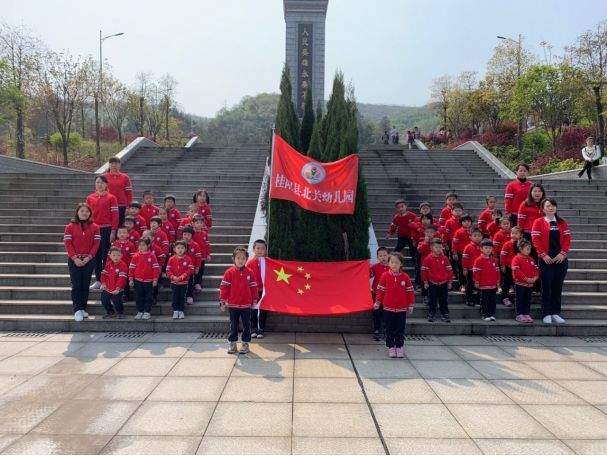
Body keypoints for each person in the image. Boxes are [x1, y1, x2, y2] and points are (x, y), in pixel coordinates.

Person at [531, 198, 572, 324]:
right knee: (547, 286)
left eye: (553, 205)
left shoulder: (562, 222)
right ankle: (546, 313)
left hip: (560, 259)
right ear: (543, 208)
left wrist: (563, 254)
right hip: (546, 260)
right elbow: (536, 240)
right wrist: (543, 255)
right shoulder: (538, 222)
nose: (551, 208)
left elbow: (567, 239)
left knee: (557, 286)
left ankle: (555, 312)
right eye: (548, 206)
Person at [374, 252, 415, 358]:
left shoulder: (405, 277)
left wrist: (411, 304)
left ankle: (399, 346)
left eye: (396, 262)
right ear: (388, 264)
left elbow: (410, 291)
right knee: (389, 328)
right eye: (392, 262)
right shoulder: (385, 276)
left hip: (401, 309)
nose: (394, 265)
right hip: (388, 308)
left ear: (401, 264)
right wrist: (378, 302)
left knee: (400, 328)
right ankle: (391, 347)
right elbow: (380, 290)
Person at [63, 203, 100, 321]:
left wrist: (88, 258)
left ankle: (83, 308)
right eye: (82, 211)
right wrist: (75, 258)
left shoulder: (95, 227)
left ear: (90, 213)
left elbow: (96, 244)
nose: (84, 213)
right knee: (76, 284)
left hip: (88, 260)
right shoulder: (70, 226)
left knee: (85, 284)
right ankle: (77, 309)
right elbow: (68, 244)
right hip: (74, 260)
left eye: (87, 211)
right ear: (77, 212)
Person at [219, 246, 258, 355]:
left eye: (243, 258)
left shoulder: (250, 272)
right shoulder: (229, 272)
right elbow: (224, 288)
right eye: (238, 258)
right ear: (233, 259)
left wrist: (254, 300)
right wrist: (222, 301)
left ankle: (245, 343)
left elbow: (253, 287)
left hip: (246, 305)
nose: (240, 261)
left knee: (247, 325)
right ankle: (232, 343)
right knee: (233, 325)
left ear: (246, 259)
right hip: (233, 305)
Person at [87, 175, 119, 290]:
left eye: (101, 182)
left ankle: (106, 280)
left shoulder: (111, 198)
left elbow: (115, 216)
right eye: (97, 182)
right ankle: (98, 280)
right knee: (95, 255)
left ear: (106, 184)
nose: (99, 185)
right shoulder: (90, 198)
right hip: (93, 229)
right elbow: (87, 215)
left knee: (106, 255)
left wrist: (113, 231)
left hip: (107, 229)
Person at [422, 238, 453, 323]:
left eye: (440, 247)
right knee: (432, 299)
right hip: (432, 283)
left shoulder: (445, 259)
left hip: (443, 283)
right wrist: (425, 281)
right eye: (436, 247)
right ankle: (431, 313)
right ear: (431, 248)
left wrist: (450, 281)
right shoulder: (428, 259)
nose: (438, 249)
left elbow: (449, 270)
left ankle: (445, 314)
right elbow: (424, 271)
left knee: (444, 299)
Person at [128, 237, 160, 320]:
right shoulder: (135, 256)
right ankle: (140, 311)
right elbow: (131, 268)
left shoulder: (152, 255)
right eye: (140, 245)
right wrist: (131, 279)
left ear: (148, 245)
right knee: (138, 296)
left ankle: (147, 311)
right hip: (138, 280)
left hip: (149, 281)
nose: (141, 247)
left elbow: (156, 268)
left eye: (143, 245)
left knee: (148, 296)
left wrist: (155, 279)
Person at [511, 239, 539, 323]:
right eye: (527, 248)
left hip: (529, 285)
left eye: (530, 249)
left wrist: (535, 278)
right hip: (520, 284)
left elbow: (536, 269)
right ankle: (519, 314)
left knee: (527, 300)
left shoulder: (531, 259)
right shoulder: (516, 258)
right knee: (520, 299)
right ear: (520, 248)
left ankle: (526, 313)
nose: (529, 251)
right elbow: (517, 271)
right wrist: (526, 279)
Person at [473, 239, 500, 321]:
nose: (488, 250)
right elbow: (476, 272)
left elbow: (497, 272)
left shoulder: (494, 260)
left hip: (492, 285)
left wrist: (498, 281)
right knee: (484, 300)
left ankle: (491, 314)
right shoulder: (478, 260)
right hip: (483, 285)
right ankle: (484, 314)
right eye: (486, 248)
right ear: (481, 249)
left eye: (490, 248)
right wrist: (477, 281)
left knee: (492, 301)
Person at [166, 240, 195, 319]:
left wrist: (183, 276)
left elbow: (191, 269)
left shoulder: (188, 259)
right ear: (174, 249)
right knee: (175, 296)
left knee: (182, 297)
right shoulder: (171, 259)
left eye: (182, 248)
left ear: (185, 249)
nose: (180, 250)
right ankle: (175, 310)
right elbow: (168, 270)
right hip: (174, 282)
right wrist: (173, 277)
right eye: (178, 248)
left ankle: (181, 310)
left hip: (184, 282)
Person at [247, 239, 268, 339]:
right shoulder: (250, 263)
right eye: (258, 248)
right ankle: (253, 328)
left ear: (266, 251)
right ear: (254, 249)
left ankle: (261, 329)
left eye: (263, 248)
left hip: (264, 291)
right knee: (253, 310)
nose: (260, 250)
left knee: (263, 310)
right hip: (253, 291)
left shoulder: (268, 263)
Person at [104, 157, 133, 227]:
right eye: (112, 163)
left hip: (121, 206)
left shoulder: (125, 177)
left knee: (120, 226)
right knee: (109, 225)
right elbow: (99, 191)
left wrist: (128, 207)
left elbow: (129, 194)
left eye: (116, 163)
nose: (114, 165)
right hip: (107, 205)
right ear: (109, 165)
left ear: (119, 165)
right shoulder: (104, 177)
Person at [100, 246, 128, 319]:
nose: (116, 257)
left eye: (118, 255)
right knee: (104, 300)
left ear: (121, 256)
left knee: (117, 301)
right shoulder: (108, 264)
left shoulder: (123, 265)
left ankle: (120, 312)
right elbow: (103, 274)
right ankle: (110, 312)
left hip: (118, 288)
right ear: (110, 256)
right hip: (108, 287)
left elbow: (122, 278)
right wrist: (103, 283)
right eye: (114, 255)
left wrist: (118, 288)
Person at [370, 246, 390, 341]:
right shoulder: (374, 267)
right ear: (377, 257)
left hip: (389, 295)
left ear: (388, 256)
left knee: (387, 313)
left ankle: (387, 330)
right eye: (380, 255)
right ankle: (376, 330)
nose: (383, 257)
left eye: (385, 255)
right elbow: (368, 276)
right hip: (377, 294)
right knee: (376, 313)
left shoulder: (392, 267)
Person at [388, 199, 417, 266]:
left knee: (413, 250)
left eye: (402, 206)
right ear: (396, 209)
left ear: (406, 206)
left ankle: (415, 264)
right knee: (398, 248)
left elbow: (417, 225)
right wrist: (390, 233)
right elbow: (393, 226)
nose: (401, 209)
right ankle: (391, 260)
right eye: (398, 207)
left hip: (411, 236)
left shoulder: (412, 215)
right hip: (401, 236)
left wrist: (416, 235)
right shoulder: (396, 217)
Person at [499, 226, 522, 308]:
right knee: (506, 283)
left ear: (520, 235)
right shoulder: (507, 244)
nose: (514, 235)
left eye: (516, 233)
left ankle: (517, 299)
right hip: (508, 267)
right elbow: (502, 256)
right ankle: (505, 297)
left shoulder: (522, 244)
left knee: (517, 284)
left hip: (519, 268)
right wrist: (502, 265)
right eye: (512, 233)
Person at [181, 225, 202, 305]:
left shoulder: (195, 245)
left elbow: (198, 257)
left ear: (192, 236)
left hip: (191, 269)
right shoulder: (179, 244)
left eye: (188, 235)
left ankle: (189, 296)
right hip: (180, 269)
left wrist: (197, 267)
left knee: (189, 283)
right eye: (184, 234)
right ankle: (182, 297)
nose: (186, 236)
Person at [462, 228, 483, 307]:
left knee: (480, 285)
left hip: (481, 270)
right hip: (470, 270)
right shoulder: (468, 247)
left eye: (479, 236)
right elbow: (464, 259)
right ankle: (468, 299)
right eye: (475, 236)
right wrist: (465, 268)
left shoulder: (483, 247)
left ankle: (478, 300)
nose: (477, 237)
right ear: (470, 237)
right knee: (470, 284)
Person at [451, 213, 473, 290]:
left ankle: (471, 285)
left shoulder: (473, 232)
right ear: (461, 222)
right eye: (464, 221)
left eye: (468, 221)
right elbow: (454, 243)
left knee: (471, 271)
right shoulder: (458, 232)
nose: (466, 223)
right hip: (461, 254)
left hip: (472, 255)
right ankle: (462, 285)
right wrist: (454, 252)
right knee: (461, 270)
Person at [192, 215, 212, 293]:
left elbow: (207, 245)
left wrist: (208, 254)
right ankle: (192, 283)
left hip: (202, 256)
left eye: (201, 223)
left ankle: (198, 283)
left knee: (200, 270)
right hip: (193, 256)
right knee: (193, 270)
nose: (199, 224)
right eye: (197, 223)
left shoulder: (205, 234)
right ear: (193, 223)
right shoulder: (192, 233)